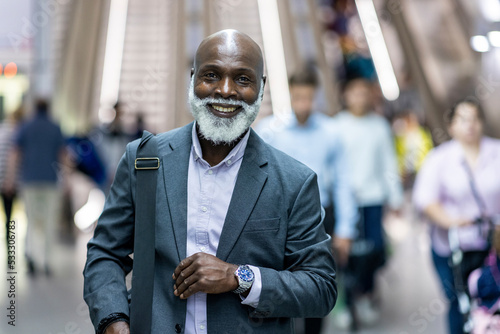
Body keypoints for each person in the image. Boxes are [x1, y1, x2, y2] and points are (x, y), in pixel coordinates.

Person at [84, 30, 337, 334]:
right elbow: (105, 254)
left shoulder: (293, 182)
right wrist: (113, 320)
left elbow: (321, 287)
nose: (226, 90)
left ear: (261, 87)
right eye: (211, 75)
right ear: (192, 80)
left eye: (242, 79)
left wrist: (239, 277)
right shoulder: (144, 161)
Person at [255, 67, 357, 334]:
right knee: (279, 285)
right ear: (290, 94)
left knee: (316, 284)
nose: (303, 104)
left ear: (316, 96)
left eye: (309, 97)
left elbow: (344, 181)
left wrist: (346, 229)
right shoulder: (270, 131)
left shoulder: (331, 132)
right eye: (298, 97)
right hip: (279, 219)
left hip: (319, 218)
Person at [413, 98, 500, 334]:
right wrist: (450, 221)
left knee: (492, 300)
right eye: (462, 120)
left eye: (474, 118)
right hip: (452, 248)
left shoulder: (496, 152)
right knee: (459, 301)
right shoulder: (439, 159)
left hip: (492, 246)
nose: (469, 125)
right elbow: (425, 200)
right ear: (451, 126)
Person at [331, 78, 404, 326]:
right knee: (344, 254)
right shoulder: (336, 126)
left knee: (373, 251)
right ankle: (344, 302)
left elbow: (389, 163)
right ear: (346, 95)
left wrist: (395, 197)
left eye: (364, 93)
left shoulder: (380, 126)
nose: (360, 98)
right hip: (344, 201)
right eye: (355, 93)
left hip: (373, 199)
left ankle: (366, 294)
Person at [3, 100, 66, 276]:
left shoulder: (26, 127)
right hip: (50, 181)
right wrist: (66, 179)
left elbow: (15, 154)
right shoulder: (55, 127)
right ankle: (46, 260)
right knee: (49, 221)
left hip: (29, 180)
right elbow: (63, 154)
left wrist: (10, 178)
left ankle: (30, 255)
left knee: (30, 219)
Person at [0, 106, 23, 258]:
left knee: (8, 218)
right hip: (9, 180)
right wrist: (9, 180)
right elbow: (12, 158)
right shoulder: (15, 133)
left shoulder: (2, 129)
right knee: (10, 218)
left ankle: (10, 251)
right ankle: (10, 253)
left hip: (4, 179)